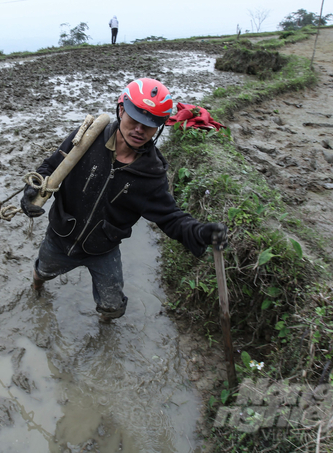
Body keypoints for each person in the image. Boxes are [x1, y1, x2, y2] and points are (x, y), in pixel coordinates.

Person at [20, 78, 228, 322]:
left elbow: (170, 217)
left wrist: (200, 232)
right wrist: (32, 192)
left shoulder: (151, 174)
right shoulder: (87, 138)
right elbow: (52, 166)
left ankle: (105, 326)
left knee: (112, 305)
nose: (140, 130)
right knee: (43, 272)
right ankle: (36, 288)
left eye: (149, 125)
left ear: (159, 127)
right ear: (121, 110)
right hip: (61, 234)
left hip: (103, 249)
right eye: (134, 119)